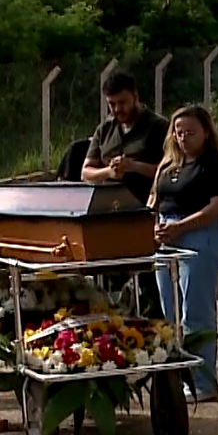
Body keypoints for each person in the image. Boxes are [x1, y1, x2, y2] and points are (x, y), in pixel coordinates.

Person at [150, 106, 218, 402]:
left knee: (196, 313)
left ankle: (203, 381)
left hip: (198, 236)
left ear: (206, 132)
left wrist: (182, 227)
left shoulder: (213, 165)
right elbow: (155, 199)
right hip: (166, 239)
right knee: (170, 313)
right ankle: (176, 376)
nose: (184, 138)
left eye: (190, 132)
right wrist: (155, 227)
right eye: (179, 132)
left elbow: (217, 206)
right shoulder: (168, 165)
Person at [83, 71, 169, 316]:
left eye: (122, 102)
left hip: (145, 213)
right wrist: (108, 172)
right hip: (110, 217)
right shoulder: (105, 129)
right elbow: (86, 172)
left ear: (135, 96)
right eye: (112, 104)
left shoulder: (158, 127)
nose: (117, 109)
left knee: (149, 284)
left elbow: (169, 169)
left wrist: (134, 167)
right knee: (113, 287)